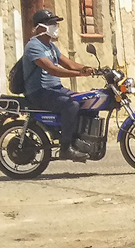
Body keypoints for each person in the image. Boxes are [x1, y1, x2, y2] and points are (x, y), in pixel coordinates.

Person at [22, 9, 96, 162]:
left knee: (87, 101)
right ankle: (65, 148)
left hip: (56, 90)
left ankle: (81, 141)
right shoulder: (34, 46)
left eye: (55, 23)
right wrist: (79, 74)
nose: (55, 26)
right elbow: (52, 69)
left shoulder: (50, 46)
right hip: (39, 92)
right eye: (51, 23)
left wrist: (87, 69)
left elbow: (68, 63)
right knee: (71, 105)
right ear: (40, 26)